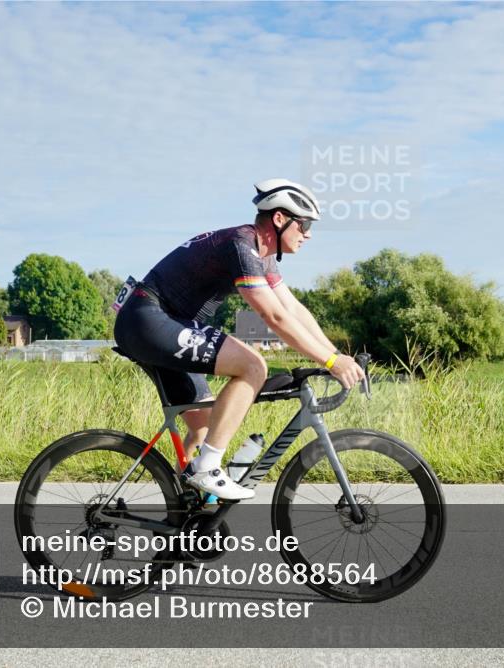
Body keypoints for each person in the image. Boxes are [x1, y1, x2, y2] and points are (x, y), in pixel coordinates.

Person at [113, 179, 365, 500]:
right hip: (148, 319)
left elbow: (293, 310)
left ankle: (185, 515)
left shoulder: (262, 254)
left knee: (204, 422)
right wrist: (329, 362)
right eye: (304, 224)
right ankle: (208, 468)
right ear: (279, 219)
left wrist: (334, 355)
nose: (308, 233)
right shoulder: (241, 245)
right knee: (253, 366)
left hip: (157, 322)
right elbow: (274, 317)